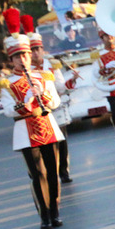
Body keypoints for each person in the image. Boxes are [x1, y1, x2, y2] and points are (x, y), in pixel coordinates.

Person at [0, 8, 64, 229]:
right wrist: (26, 100)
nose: (23, 59)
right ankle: (44, 215)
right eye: (18, 56)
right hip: (26, 130)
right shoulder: (6, 83)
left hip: (47, 126)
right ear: (12, 59)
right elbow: (8, 110)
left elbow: (54, 102)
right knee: (38, 174)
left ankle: (55, 211)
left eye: (25, 55)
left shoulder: (43, 77)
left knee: (53, 173)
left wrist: (42, 94)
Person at [22, 15, 76, 182]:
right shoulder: (25, 71)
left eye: (38, 49)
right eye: (33, 51)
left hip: (54, 107)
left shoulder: (51, 65)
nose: (36, 53)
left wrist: (71, 80)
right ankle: (41, 171)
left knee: (61, 141)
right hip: (36, 113)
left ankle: (64, 171)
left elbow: (60, 85)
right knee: (41, 145)